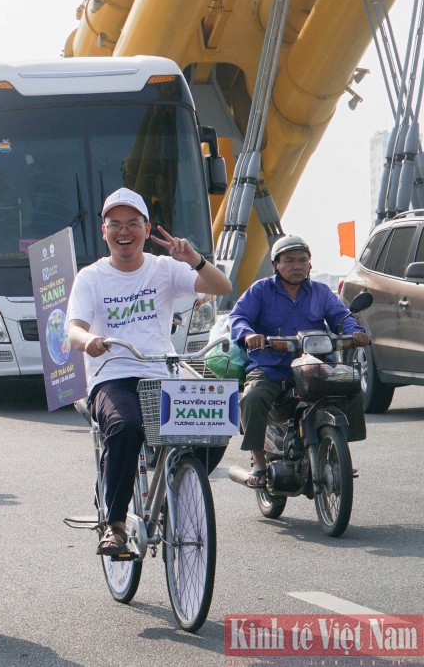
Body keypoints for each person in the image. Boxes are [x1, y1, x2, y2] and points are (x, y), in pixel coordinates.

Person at [66, 188, 232, 556]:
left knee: (218, 419)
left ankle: (181, 481)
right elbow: (73, 327)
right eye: (115, 225)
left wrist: (194, 259)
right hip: (112, 373)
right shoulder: (91, 277)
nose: (124, 232)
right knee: (126, 427)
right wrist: (89, 340)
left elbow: (223, 287)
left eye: (132, 224)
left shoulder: (164, 268)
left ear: (145, 228)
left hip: (162, 371)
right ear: (104, 230)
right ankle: (116, 524)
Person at [228, 234, 370, 486]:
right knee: (252, 397)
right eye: (289, 261)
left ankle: (339, 451)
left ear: (309, 264)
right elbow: (238, 318)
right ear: (276, 265)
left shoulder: (321, 292)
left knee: (350, 384)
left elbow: (341, 316)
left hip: (313, 365)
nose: (297, 266)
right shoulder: (260, 290)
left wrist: (354, 332)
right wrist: (249, 335)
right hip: (271, 367)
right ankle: (259, 461)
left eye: (302, 260)